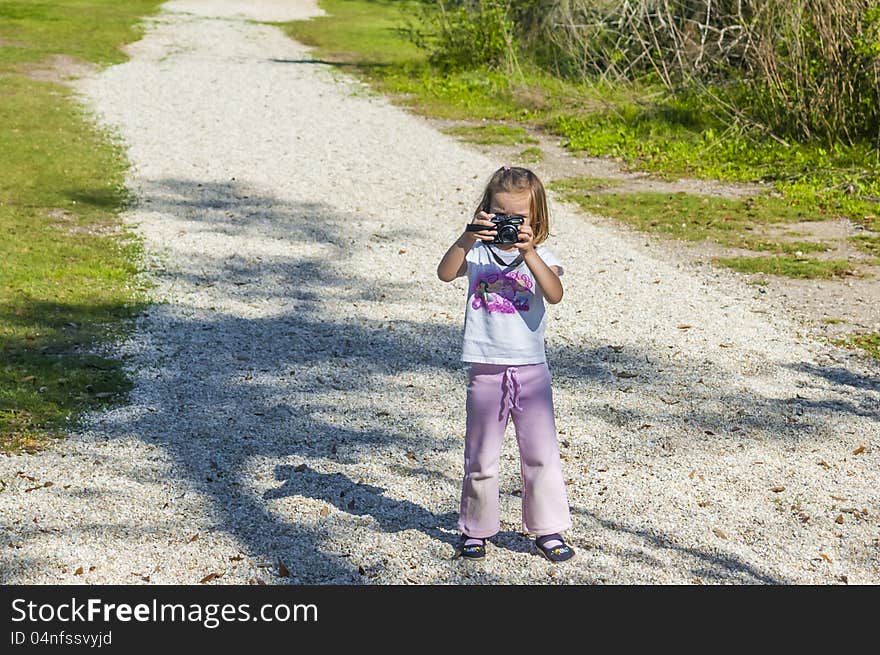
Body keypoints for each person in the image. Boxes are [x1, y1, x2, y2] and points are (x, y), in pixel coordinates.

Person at [437, 165, 575, 563]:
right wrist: (468, 235)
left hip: (531, 369)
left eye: (518, 219)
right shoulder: (477, 252)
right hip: (485, 367)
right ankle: (475, 529)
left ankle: (548, 529)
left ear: (536, 221)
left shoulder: (541, 256)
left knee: (541, 453)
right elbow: (445, 273)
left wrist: (529, 251)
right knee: (481, 454)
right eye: (500, 216)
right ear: (486, 211)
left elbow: (555, 293)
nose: (507, 225)